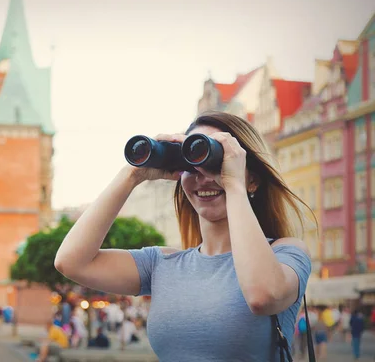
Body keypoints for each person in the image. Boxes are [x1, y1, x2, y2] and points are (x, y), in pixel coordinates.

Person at [55, 111, 313, 361]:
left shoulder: (286, 254)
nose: (204, 178)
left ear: (252, 180)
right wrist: (133, 174)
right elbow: (71, 262)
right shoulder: (162, 265)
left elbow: (262, 295)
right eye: (191, 166)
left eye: (215, 164)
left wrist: (233, 182)